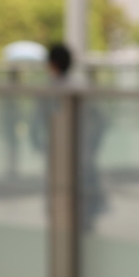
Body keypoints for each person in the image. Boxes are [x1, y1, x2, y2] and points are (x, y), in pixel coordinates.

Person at [32, 44, 107, 233]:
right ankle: (85, 230)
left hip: (60, 151)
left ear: (53, 64)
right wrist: (93, 145)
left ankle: (70, 236)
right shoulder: (81, 86)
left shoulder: (49, 89)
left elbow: (38, 122)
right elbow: (101, 119)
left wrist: (40, 145)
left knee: (62, 193)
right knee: (85, 193)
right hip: (83, 149)